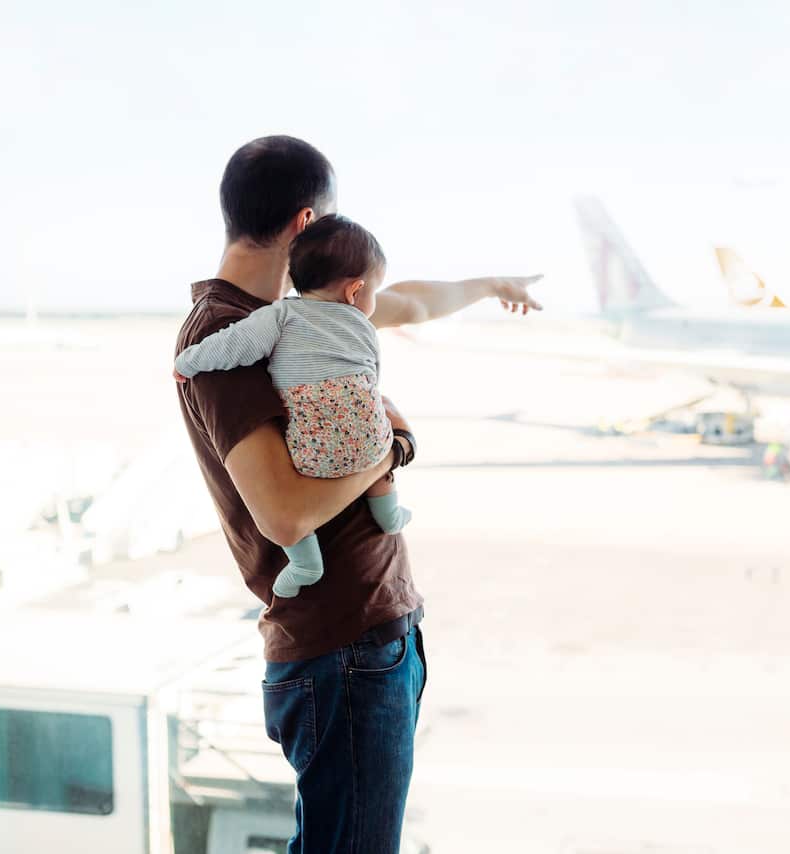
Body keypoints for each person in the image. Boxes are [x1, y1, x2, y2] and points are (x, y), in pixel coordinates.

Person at [174, 135, 541, 853]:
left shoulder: (305, 311)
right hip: (340, 648)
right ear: (308, 225)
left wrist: (493, 283)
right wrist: (389, 442)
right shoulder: (229, 334)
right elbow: (284, 512)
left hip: (368, 641)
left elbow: (409, 301)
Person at [175, 214, 413, 599]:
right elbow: (372, 379)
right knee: (371, 433)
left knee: (316, 467)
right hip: (373, 442)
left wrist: (187, 362)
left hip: (310, 454)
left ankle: (304, 563)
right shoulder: (363, 326)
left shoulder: (280, 316)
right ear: (355, 292)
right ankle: (389, 515)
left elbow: (236, 346)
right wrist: (392, 438)